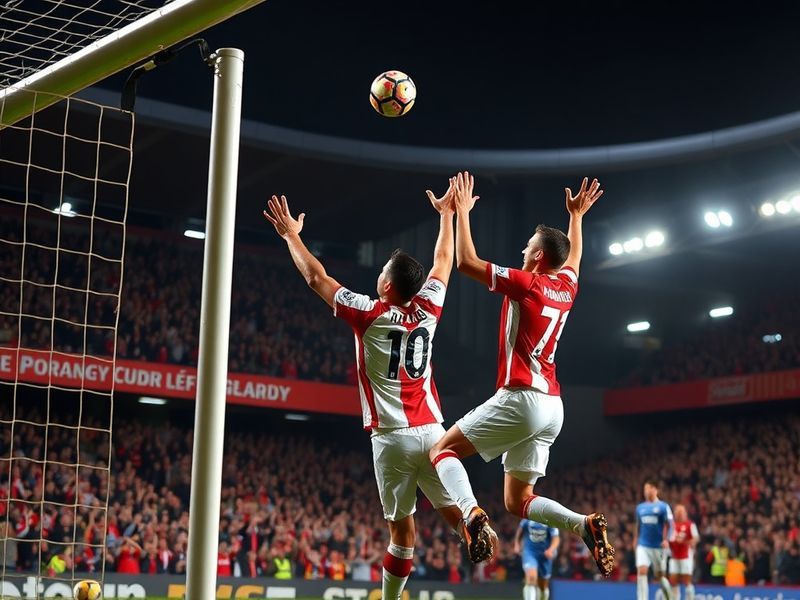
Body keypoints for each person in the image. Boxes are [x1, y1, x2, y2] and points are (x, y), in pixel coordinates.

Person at [263, 176, 486, 600]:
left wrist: (291, 235)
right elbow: (443, 260)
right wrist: (449, 216)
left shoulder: (369, 313)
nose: (379, 275)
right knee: (450, 512)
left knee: (402, 533)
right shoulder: (430, 308)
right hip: (434, 431)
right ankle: (471, 522)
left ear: (386, 286)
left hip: (391, 438)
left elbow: (316, 277)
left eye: (382, 271)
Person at [428, 174, 614, 577]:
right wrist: (576, 217)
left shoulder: (527, 284)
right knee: (518, 501)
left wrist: (461, 212)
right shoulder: (566, 286)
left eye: (528, 246)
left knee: (440, 451)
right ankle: (582, 524)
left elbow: (466, 263)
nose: (522, 248)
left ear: (538, 258)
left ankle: (470, 512)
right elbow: (574, 257)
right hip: (553, 407)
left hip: (522, 396)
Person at [634, 479, 674, 600]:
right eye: (644, 489)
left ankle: (669, 597)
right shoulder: (640, 508)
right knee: (642, 571)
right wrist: (635, 541)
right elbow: (637, 526)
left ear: (655, 489)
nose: (646, 491)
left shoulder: (663, 507)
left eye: (648, 488)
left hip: (658, 547)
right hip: (643, 545)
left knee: (660, 576)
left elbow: (671, 526)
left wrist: (667, 540)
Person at [514, 519, 559, 600]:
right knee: (531, 577)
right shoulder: (527, 519)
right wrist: (517, 544)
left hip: (545, 555)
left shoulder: (549, 520)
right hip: (530, 552)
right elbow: (519, 532)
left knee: (543, 586)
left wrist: (551, 549)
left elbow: (556, 538)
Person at [668, 504, 698, 600]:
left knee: (686, 580)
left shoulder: (690, 525)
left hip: (686, 556)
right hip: (674, 556)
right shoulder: (671, 526)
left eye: (681, 512)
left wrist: (686, 542)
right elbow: (668, 539)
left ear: (685, 513)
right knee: (673, 581)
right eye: (677, 512)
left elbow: (696, 538)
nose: (679, 514)